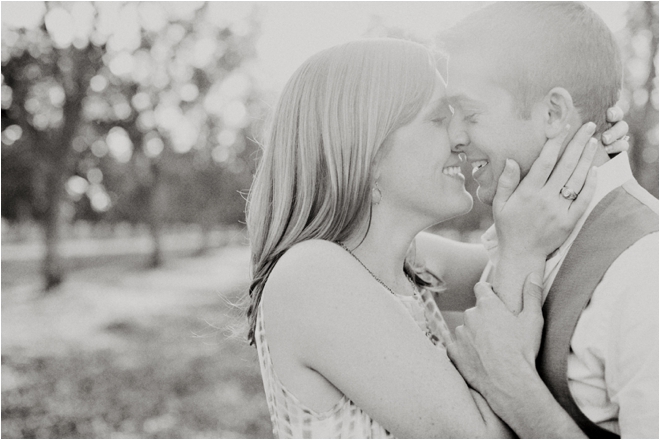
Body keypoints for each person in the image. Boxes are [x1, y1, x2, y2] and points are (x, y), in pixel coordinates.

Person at [245, 38, 629, 438]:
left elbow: (553, 262)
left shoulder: (409, 263)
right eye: (437, 120)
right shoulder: (313, 277)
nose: (460, 139)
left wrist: (581, 147)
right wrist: (521, 250)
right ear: (367, 153)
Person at [435, 2, 659, 438]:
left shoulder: (647, 271)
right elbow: (398, 249)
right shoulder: (528, 230)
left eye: (472, 114)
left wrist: (516, 392)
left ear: (554, 113)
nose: (455, 137)